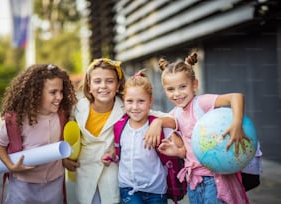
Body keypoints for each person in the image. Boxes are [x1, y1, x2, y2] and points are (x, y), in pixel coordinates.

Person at [152, 51, 250, 204]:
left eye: (182, 87)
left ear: (195, 85)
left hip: (215, 179)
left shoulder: (201, 103)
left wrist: (236, 124)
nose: (177, 94)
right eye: (171, 89)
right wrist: (178, 152)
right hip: (193, 180)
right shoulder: (175, 114)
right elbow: (188, 150)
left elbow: (236, 96)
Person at [73, 58, 174, 204]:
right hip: (86, 172)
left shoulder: (127, 107)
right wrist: (66, 159)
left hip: (113, 174)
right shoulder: (78, 108)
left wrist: (159, 122)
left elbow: (171, 119)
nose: (103, 86)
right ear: (89, 85)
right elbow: (70, 136)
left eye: (109, 81)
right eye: (97, 81)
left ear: (118, 84)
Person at [0, 64, 77, 204]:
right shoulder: (18, 119)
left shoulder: (62, 116)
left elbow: (57, 145)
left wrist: (64, 160)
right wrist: (10, 166)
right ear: (36, 93)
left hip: (54, 183)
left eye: (61, 91)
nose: (59, 97)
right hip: (24, 186)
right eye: (53, 92)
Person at [101, 69, 186, 204]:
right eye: (130, 101)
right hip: (128, 188)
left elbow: (176, 124)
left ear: (150, 100)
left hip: (156, 190)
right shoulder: (119, 126)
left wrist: (160, 124)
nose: (135, 107)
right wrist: (112, 156)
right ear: (124, 101)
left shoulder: (156, 123)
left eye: (141, 101)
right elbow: (120, 152)